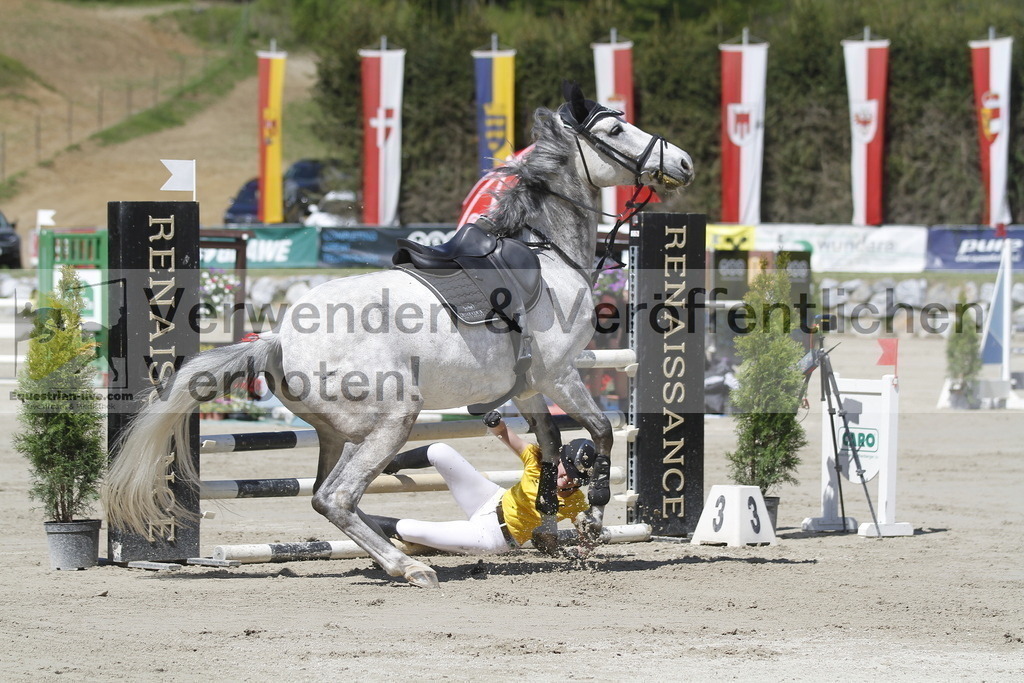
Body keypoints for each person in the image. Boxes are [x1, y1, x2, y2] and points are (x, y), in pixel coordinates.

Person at [365, 411, 594, 555]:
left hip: (492, 537)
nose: (566, 482)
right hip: (490, 498)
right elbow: (504, 434)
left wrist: (583, 551)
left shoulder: (575, 500)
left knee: (410, 529)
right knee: (440, 451)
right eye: (566, 472)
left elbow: (587, 532)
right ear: (559, 458)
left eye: (575, 480)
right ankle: (388, 464)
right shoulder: (538, 459)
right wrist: (494, 422)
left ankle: (349, 516)